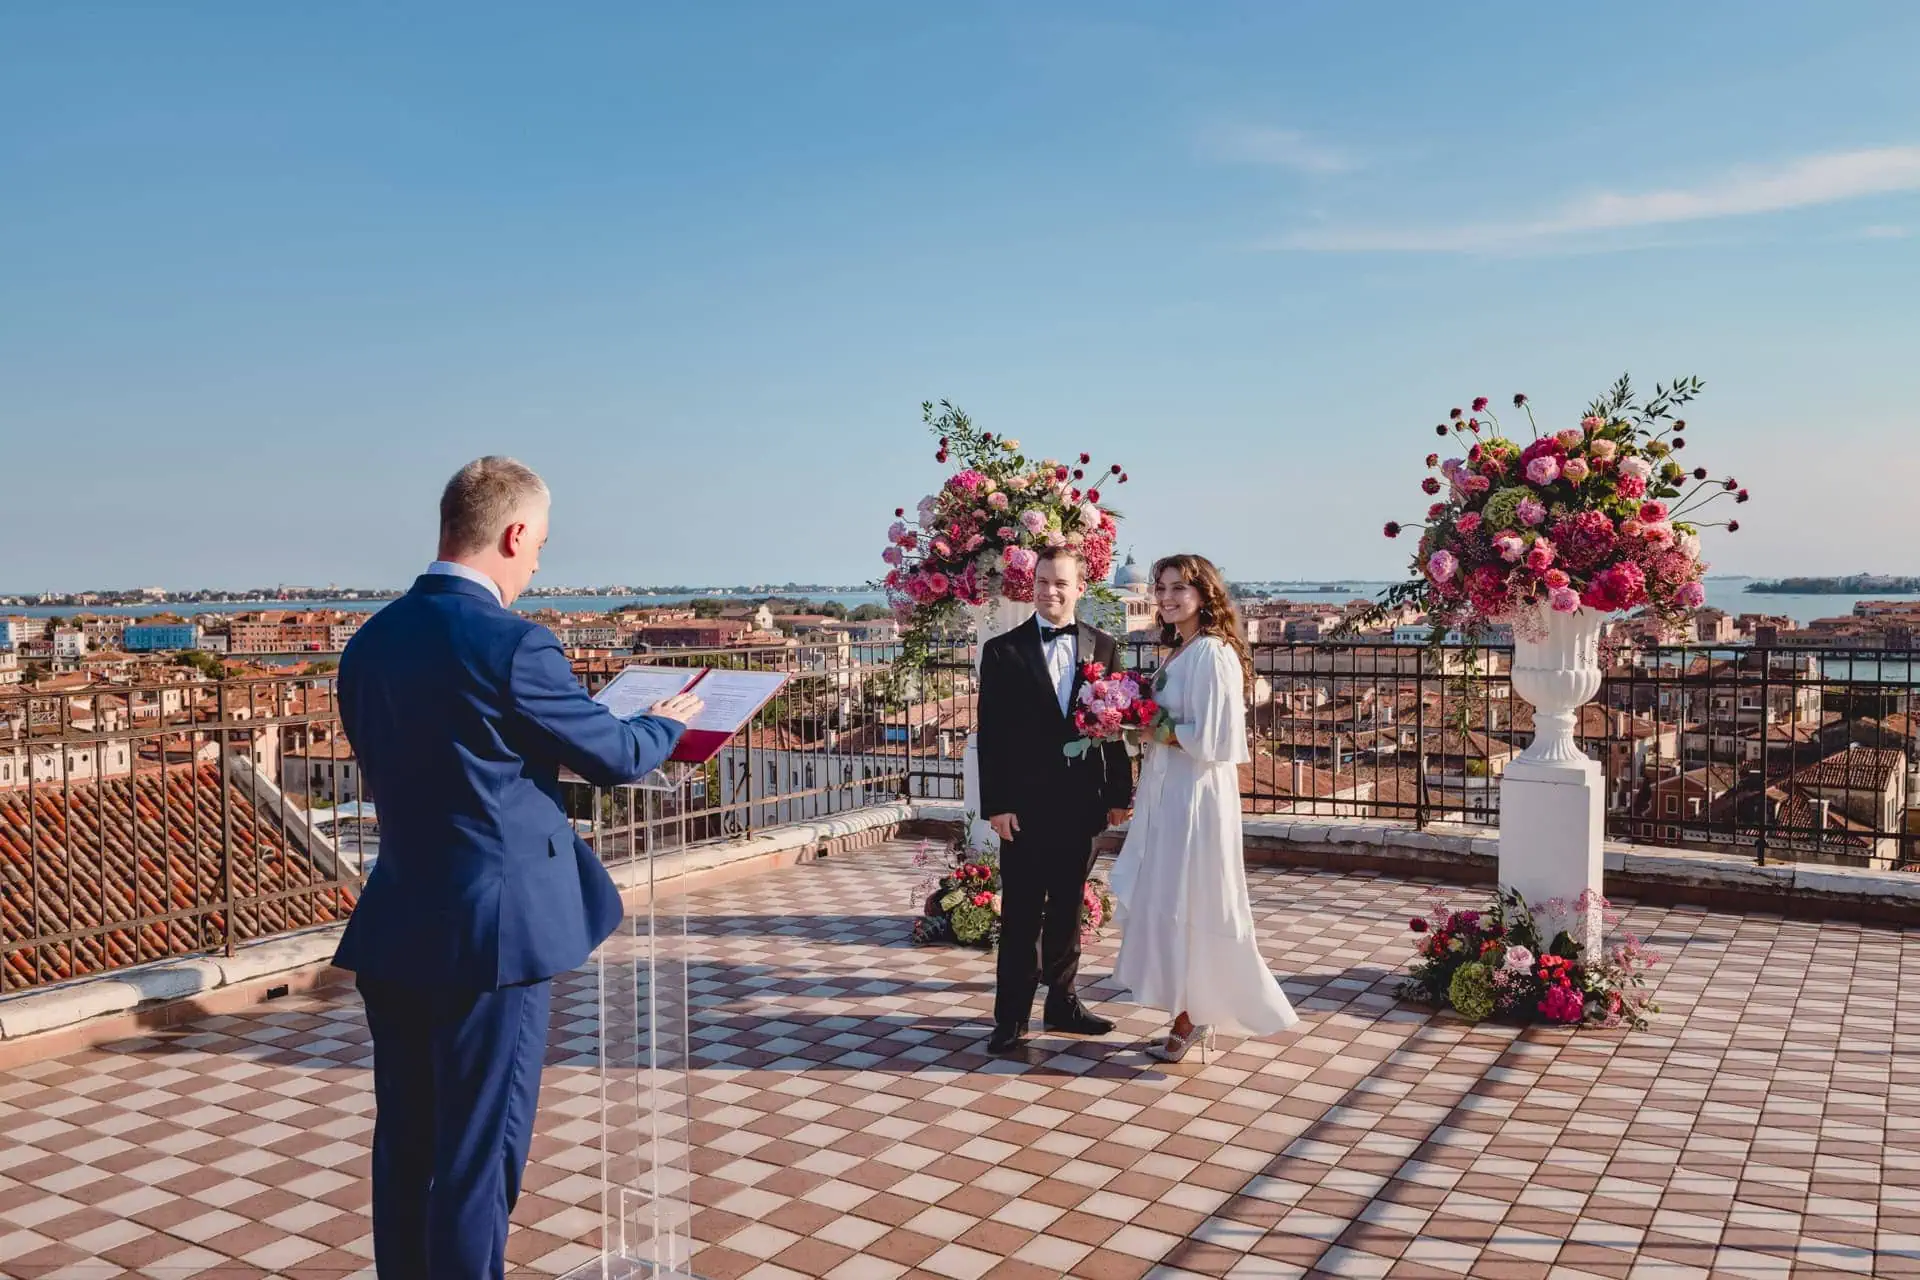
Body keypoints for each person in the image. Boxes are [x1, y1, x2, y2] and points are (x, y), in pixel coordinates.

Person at [332, 456, 704, 1280]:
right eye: (539, 546)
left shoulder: (368, 641)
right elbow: (612, 754)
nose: (538, 565)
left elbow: (444, 760)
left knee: (407, 1153)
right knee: (475, 1163)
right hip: (490, 942)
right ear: (513, 533)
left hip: (396, 926)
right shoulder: (513, 644)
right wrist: (666, 722)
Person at [1110, 553, 1297, 1063]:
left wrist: (1155, 730)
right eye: (1161, 589)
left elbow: (1218, 738)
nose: (1167, 598)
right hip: (1169, 789)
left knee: (1195, 897)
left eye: (1179, 589)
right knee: (1173, 897)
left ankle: (1195, 1015)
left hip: (1196, 796)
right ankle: (1188, 1010)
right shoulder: (1179, 650)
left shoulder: (1212, 652)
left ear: (1204, 594)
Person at [977, 545, 1134, 1055]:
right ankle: (1011, 1017)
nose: (1050, 591)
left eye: (1061, 583)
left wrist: (1117, 795)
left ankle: (1063, 1002)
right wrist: (996, 805)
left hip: (1082, 804)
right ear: (1033, 585)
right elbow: (992, 734)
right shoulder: (1002, 651)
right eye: (1043, 582)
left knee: (1069, 909)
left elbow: (1115, 728)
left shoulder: (1104, 647)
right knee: (1021, 912)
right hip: (1022, 808)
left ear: (1080, 588)